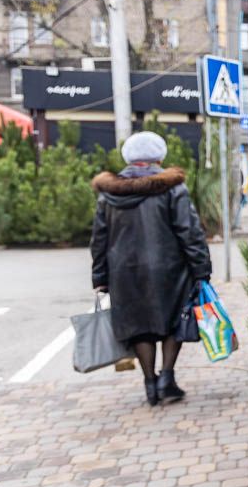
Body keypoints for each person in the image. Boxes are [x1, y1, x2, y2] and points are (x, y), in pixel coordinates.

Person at [90, 131, 212, 406]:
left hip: (124, 272)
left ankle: (149, 382)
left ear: (128, 158)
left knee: (139, 327)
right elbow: (190, 232)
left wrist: (100, 277)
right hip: (170, 270)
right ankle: (167, 377)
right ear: (159, 156)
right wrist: (201, 269)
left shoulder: (109, 194)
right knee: (172, 322)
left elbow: (99, 240)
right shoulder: (172, 188)